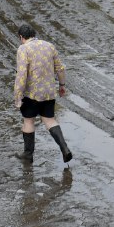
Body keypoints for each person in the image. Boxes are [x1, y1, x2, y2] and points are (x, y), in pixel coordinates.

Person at [13, 23, 72, 164]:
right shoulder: (49, 46)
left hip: (31, 94)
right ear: (34, 34)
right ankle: (64, 148)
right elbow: (60, 68)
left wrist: (17, 96)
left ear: (22, 37)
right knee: (49, 120)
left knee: (28, 121)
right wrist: (62, 85)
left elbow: (21, 75)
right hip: (48, 92)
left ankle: (28, 155)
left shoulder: (23, 49)